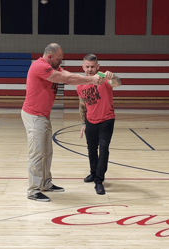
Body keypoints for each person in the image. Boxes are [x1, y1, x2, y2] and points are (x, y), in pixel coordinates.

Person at [21, 44, 105, 202]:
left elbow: (67, 74)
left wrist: (91, 79)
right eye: (59, 59)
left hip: (43, 116)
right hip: (33, 116)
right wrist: (91, 79)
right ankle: (33, 190)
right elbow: (66, 79)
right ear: (50, 57)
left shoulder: (55, 67)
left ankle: (45, 183)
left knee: (47, 152)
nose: (61, 62)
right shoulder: (39, 66)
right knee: (37, 154)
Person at [76, 54, 121, 195]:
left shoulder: (104, 77)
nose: (90, 69)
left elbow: (117, 83)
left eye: (92, 66)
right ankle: (93, 172)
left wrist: (112, 77)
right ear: (83, 67)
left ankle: (99, 181)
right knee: (91, 150)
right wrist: (84, 123)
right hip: (90, 121)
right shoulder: (80, 83)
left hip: (106, 120)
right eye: (87, 67)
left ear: (98, 66)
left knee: (104, 148)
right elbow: (82, 104)